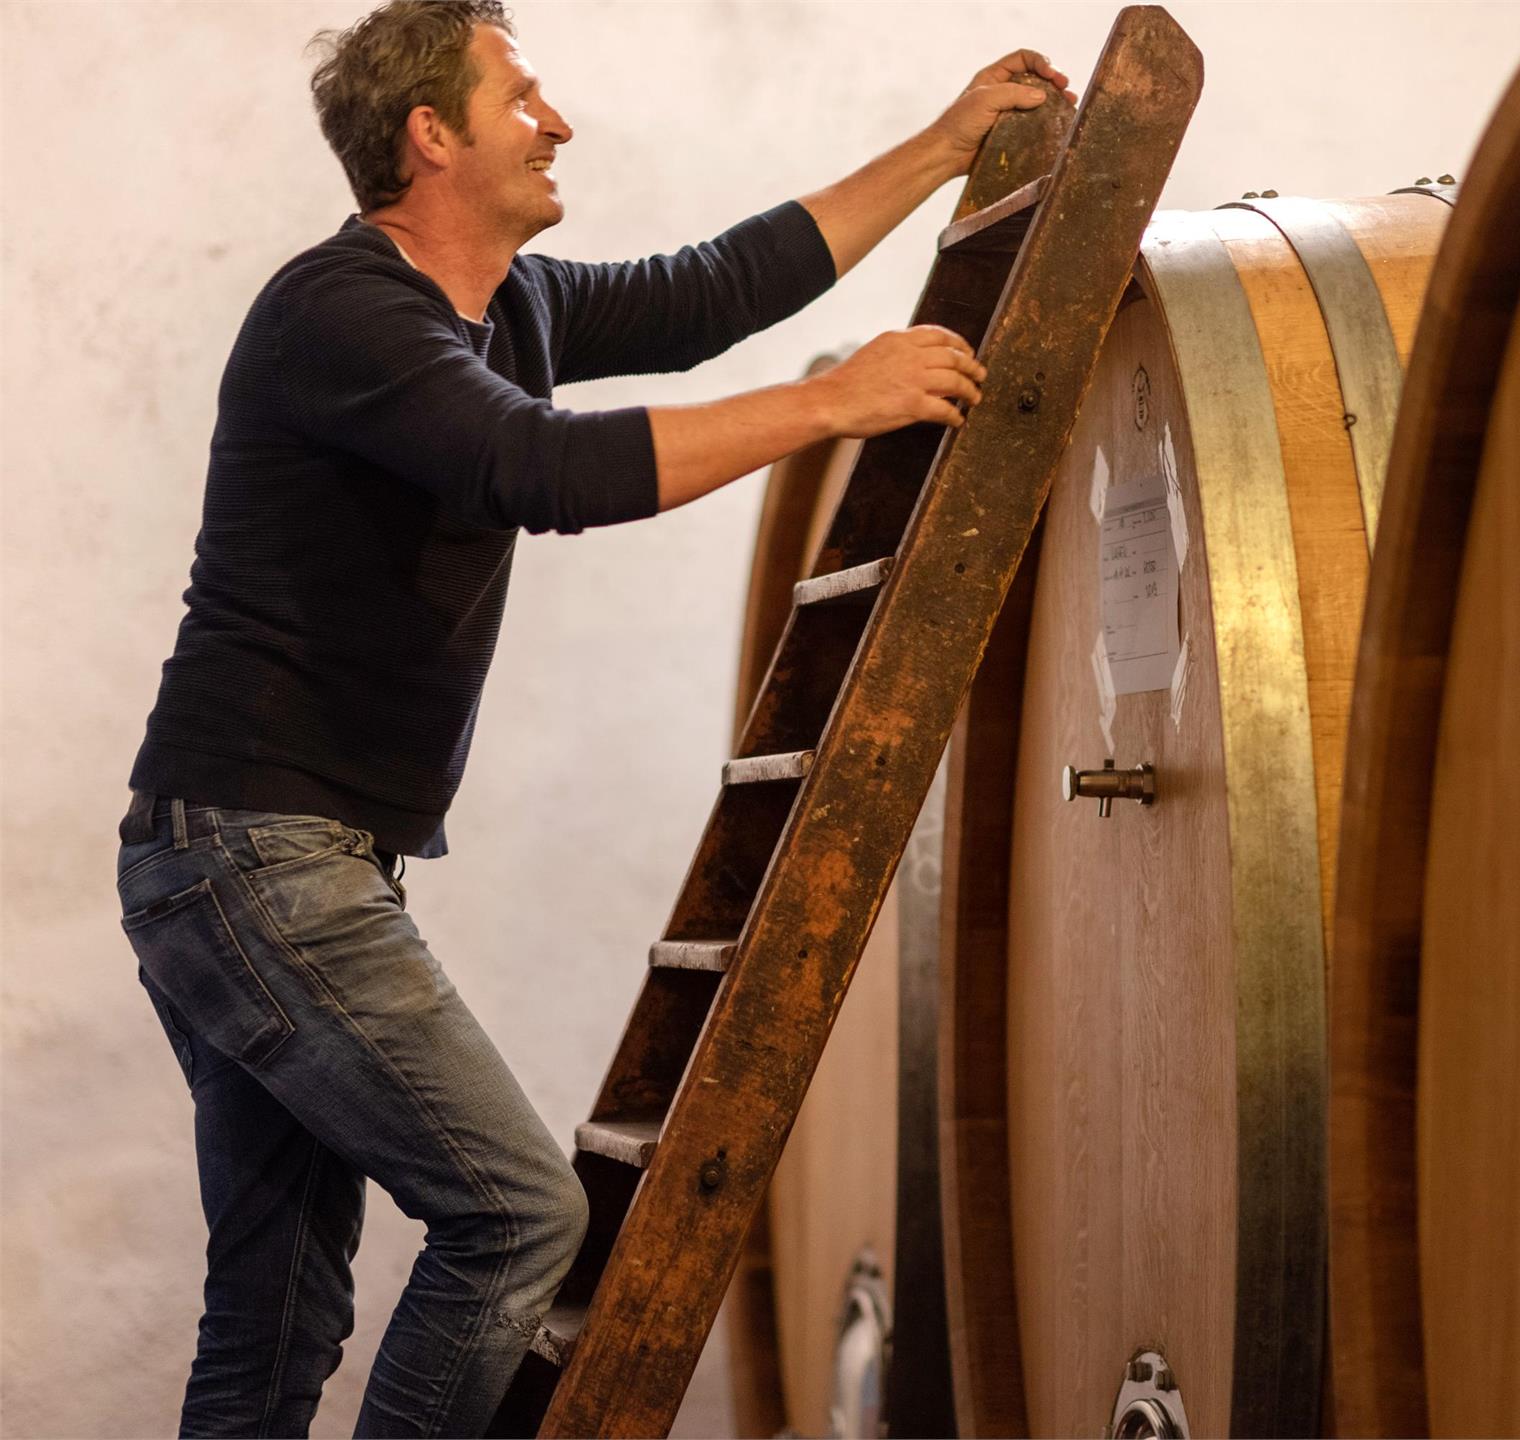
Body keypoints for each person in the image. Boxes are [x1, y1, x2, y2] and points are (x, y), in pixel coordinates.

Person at [111, 3, 1071, 1434]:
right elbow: (539, 467)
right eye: (522, 96)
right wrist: (833, 405)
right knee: (513, 1215)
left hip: (264, 859)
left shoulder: (517, 308)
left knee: (281, 1303)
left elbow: (710, 291)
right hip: (253, 857)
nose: (556, 122)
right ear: (431, 135)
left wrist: (942, 147)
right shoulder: (340, 311)